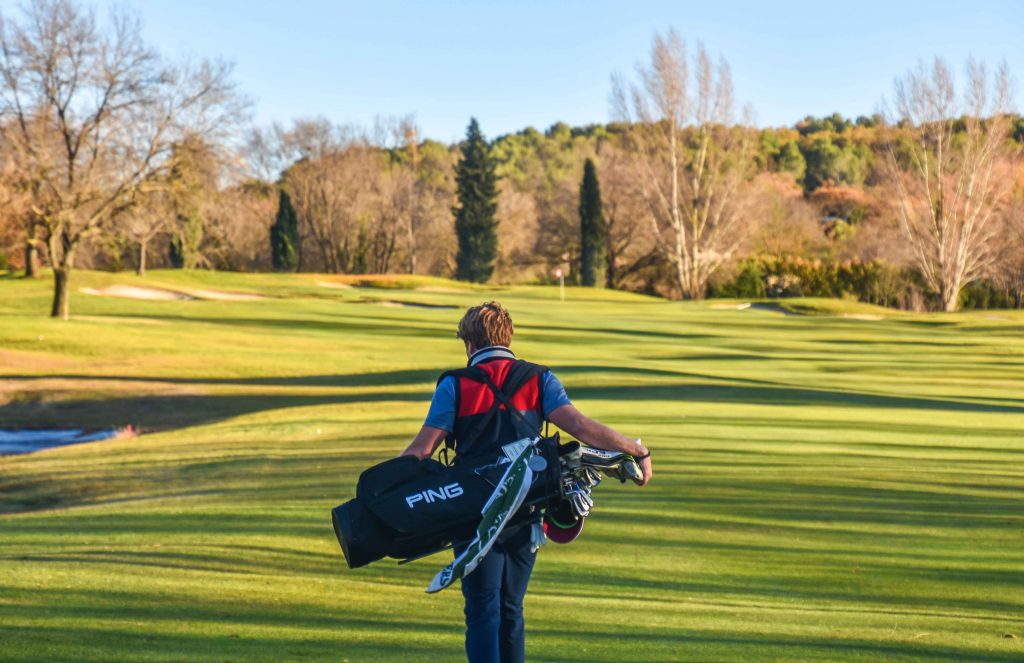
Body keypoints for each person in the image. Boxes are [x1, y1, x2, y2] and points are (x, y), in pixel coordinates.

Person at [402, 301, 653, 663]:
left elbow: (422, 450)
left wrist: (380, 492)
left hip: (474, 515)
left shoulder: (454, 385)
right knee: (510, 609)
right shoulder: (539, 378)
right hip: (528, 507)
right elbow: (581, 427)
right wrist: (636, 450)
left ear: (470, 344)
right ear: (508, 336)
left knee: (482, 609)